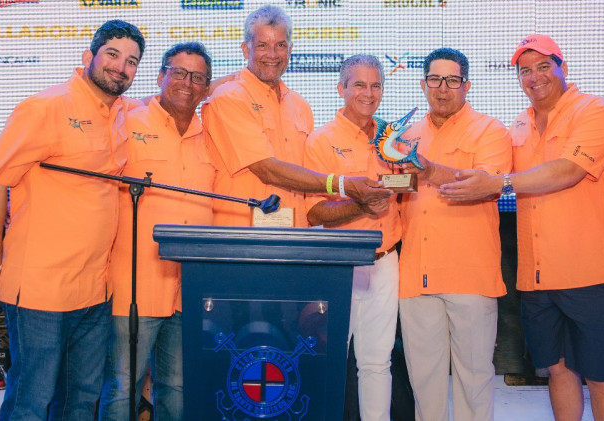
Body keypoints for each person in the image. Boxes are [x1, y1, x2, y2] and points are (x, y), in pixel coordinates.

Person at [439, 34, 604, 421]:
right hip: (537, 276)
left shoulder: (595, 110)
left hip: (590, 271)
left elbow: (568, 170)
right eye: (525, 70)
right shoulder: (520, 124)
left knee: (600, 376)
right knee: (557, 369)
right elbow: (485, 174)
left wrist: (501, 183)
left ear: (563, 69)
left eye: (544, 66)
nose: (534, 76)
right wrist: (423, 167)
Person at [0, 20, 144, 420]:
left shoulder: (123, 112)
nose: (120, 68)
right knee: (31, 403)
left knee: (81, 400)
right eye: (112, 54)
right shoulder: (46, 107)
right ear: (88, 56)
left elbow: (177, 95)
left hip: (95, 292)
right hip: (40, 290)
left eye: (131, 62)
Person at [98, 42, 216, 421]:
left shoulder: (213, 134)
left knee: (178, 385)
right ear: (160, 75)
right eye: (178, 73)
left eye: (198, 77)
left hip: (189, 285)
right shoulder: (127, 120)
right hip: (134, 284)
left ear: (207, 86)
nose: (187, 83)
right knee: (121, 385)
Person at [397, 47, 512, 421]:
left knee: (474, 379)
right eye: (434, 79)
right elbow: (396, 192)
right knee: (423, 381)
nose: (442, 88)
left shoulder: (490, 131)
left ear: (467, 85)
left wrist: (428, 170)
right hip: (416, 274)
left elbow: (484, 185)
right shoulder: (405, 136)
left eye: (452, 80)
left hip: (470, 275)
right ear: (423, 83)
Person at [202, 5, 390, 227]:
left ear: (290, 49)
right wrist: (343, 184)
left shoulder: (300, 105)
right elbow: (267, 170)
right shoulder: (228, 98)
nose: (272, 54)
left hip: (296, 236)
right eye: (262, 45)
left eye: (280, 45)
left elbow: (307, 174)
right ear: (245, 49)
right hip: (244, 237)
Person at [304, 54, 401, 421]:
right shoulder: (320, 141)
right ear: (341, 88)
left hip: (384, 260)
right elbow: (314, 214)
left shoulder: (392, 139)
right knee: (328, 359)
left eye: (376, 85)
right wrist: (364, 205)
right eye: (359, 84)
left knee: (377, 362)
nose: (368, 93)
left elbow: (406, 189)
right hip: (338, 265)